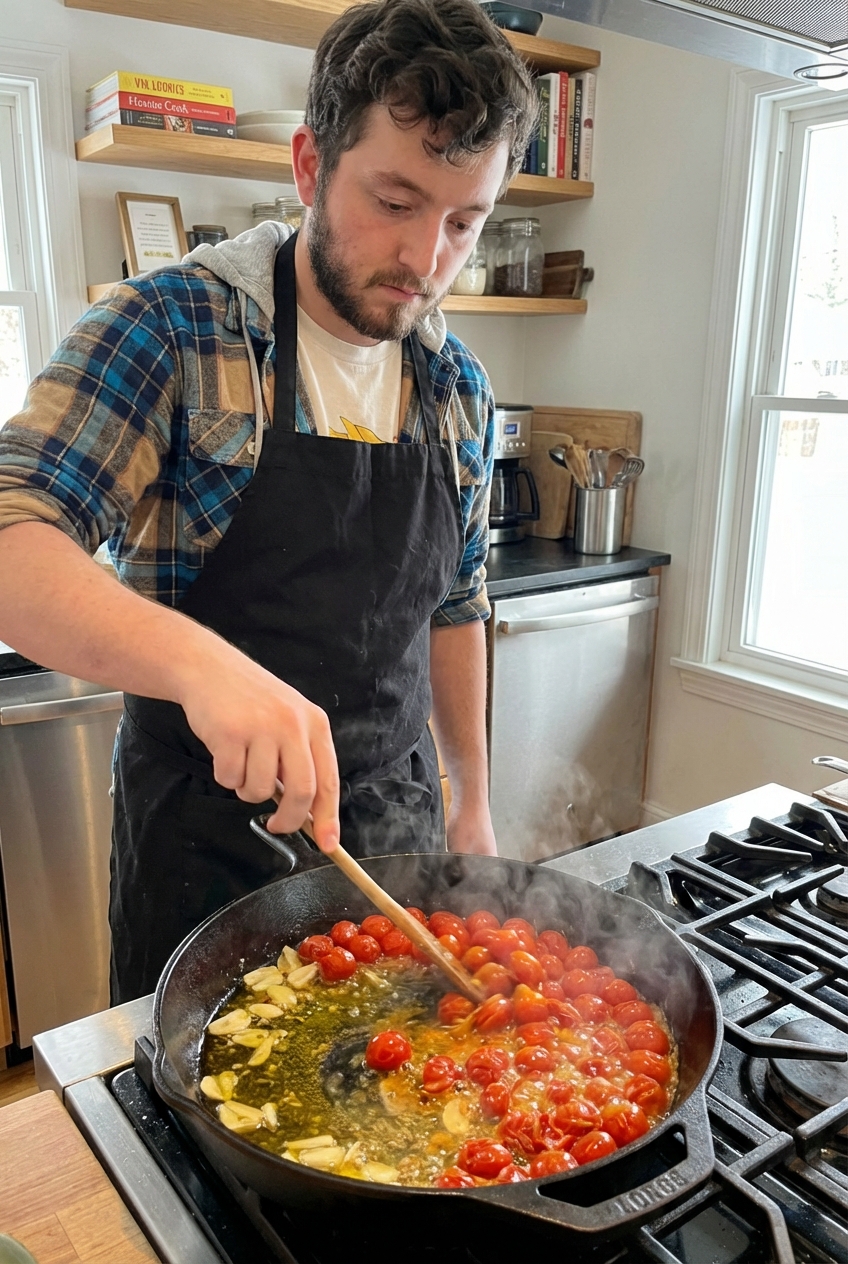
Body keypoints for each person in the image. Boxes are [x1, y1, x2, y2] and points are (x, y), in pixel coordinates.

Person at [0, 0, 536, 1002]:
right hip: (206, 845)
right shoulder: (170, 329)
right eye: (394, 199)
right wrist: (201, 665)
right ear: (307, 167)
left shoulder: (457, 387)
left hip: (392, 832)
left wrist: (470, 799)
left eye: (462, 221)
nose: (427, 258)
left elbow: (454, 606)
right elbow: (12, 528)